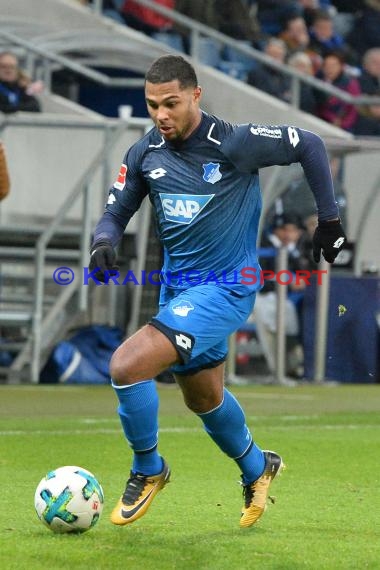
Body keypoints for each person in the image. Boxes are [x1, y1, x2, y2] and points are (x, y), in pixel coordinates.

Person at [89, 54, 346, 529]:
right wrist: (104, 242)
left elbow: (308, 143)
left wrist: (328, 220)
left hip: (227, 288)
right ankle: (257, 466)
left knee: (126, 366)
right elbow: (115, 209)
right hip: (176, 292)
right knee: (203, 397)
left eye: (171, 103)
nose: (161, 115)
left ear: (195, 96)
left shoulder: (234, 143)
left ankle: (148, 468)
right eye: (152, 105)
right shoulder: (145, 153)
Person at [315, 51, 361, 131]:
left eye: (333, 65)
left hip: (345, 127)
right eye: (326, 65)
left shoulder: (350, 84)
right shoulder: (316, 81)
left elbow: (354, 108)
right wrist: (331, 118)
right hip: (320, 122)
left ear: (341, 67)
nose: (329, 69)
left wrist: (343, 124)